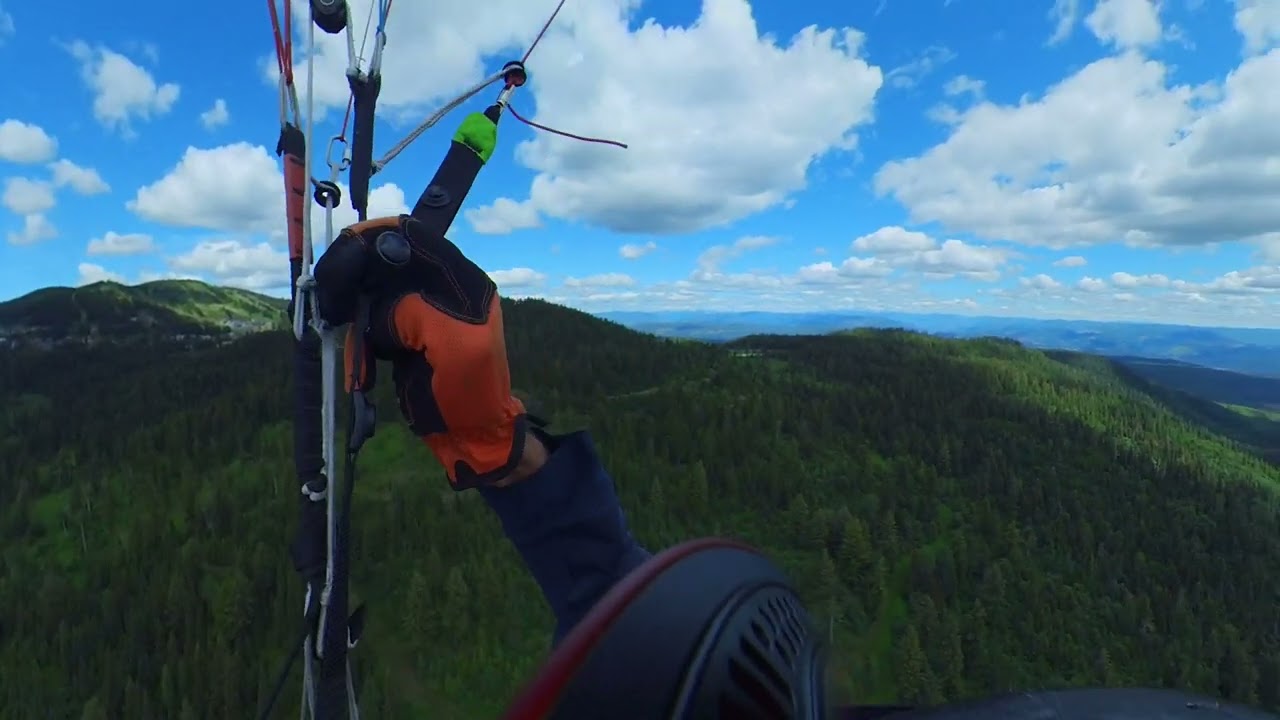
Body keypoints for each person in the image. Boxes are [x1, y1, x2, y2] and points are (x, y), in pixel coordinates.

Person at [313, 199, 651, 644]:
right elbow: (609, 587)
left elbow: (614, 598)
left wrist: (491, 440)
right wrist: (493, 441)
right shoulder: (652, 631)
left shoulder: (650, 642)